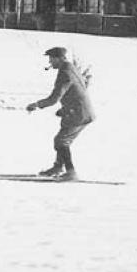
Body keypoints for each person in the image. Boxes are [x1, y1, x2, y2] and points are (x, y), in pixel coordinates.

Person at [26, 47, 94, 180]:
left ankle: (70, 172)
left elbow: (54, 98)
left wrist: (36, 105)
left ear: (60, 58)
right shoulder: (70, 68)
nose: (50, 62)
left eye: (52, 58)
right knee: (62, 138)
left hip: (79, 113)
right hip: (76, 111)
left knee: (61, 141)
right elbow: (78, 88)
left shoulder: (65, 73)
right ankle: (58, 167)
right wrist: (64, 109)